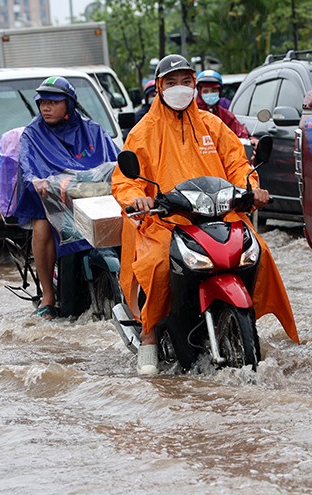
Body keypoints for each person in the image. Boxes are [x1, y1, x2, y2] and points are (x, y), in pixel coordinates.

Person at [112, 54, 299, 375]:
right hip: (164, 221)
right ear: (159, 87)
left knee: (260, 251)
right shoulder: (142, 133)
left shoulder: (215, 125)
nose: (179, 88)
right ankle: (149, 334)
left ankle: (248, 318)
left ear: (195, 85)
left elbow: (239, 165)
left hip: (218, 216)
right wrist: (136, 199)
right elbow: (125, 180)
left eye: (186, 82)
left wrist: (251, 187)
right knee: (158, 264)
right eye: (171, 83)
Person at [16, 76, 119, 320]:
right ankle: (49, 296)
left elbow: (115, 157)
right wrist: (36, 181)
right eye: (42, 102)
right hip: (51, 201)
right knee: (41, 228)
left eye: (53, 102)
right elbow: (27, 164)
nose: (45, 107)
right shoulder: (32, 134)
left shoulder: (92, 130)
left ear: (69, 104)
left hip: (92, 197)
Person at [195, 70, 251, 140]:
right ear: (200, 92)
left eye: (214, 91)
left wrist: (251, 140)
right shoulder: (191, 114)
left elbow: (240, 133)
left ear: (220, 92)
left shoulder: (225, 115)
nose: (209, 94)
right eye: (205, 91)